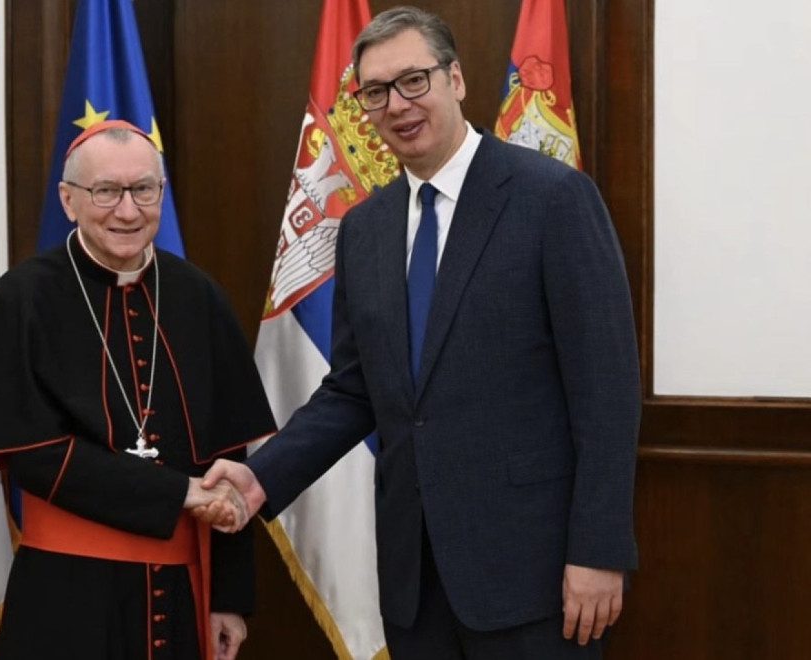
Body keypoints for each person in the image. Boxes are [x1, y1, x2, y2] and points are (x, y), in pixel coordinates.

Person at [198, 6, 641, 659]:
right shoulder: (364, 230)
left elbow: (606, 392)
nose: (397, 105)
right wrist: (261, 477)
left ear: (455, 79)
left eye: (413, 80)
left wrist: (600, 549)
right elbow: (354, 390)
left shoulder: (552, 199)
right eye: (375, 92)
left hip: (535, 572)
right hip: (414, 578)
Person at [0, 119, 275, 660]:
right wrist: (180, 493)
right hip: (67, 594)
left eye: (144, 189)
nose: (127, 210)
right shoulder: (20, 301)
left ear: (161, 193)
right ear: (68, 201)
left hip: (184, 589)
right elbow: (31, 455)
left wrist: (229, 597)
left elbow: (229, 455)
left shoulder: (198, 296)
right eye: (106, 192)